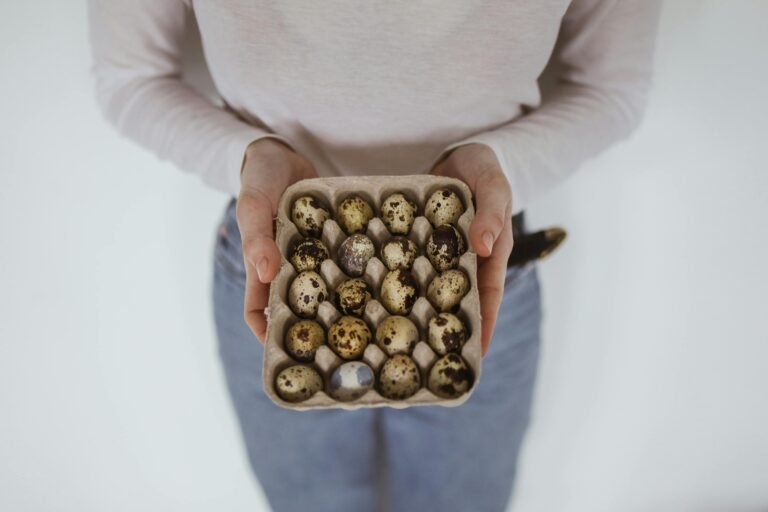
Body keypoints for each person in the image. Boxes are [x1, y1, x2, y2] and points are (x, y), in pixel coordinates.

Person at [87, 1, 661, 510]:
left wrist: (500, 162)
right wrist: (247, 155)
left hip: (477, 268)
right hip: (275, 271)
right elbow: (130, 79)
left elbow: (612, 90)